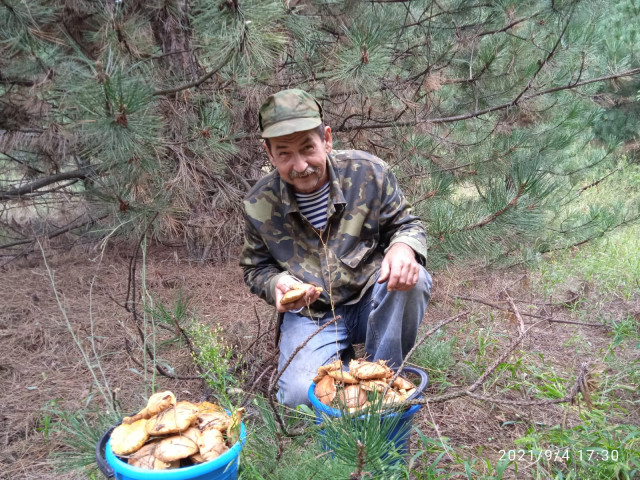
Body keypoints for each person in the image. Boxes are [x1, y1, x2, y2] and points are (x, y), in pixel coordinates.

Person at [240, 89, 432, 407]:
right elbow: (255, 267)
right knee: (300, 394)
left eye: (308, 149)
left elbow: (407, 225)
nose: (300, 166)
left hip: (371, 295)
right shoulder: (259, 203)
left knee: (415, 280)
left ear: (326, 139)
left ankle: (384, 383)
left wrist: (403, 248)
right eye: (285, 154)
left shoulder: (368, 173)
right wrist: (277, 284)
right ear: (269, 154)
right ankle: (341, 378)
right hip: (313, 315)